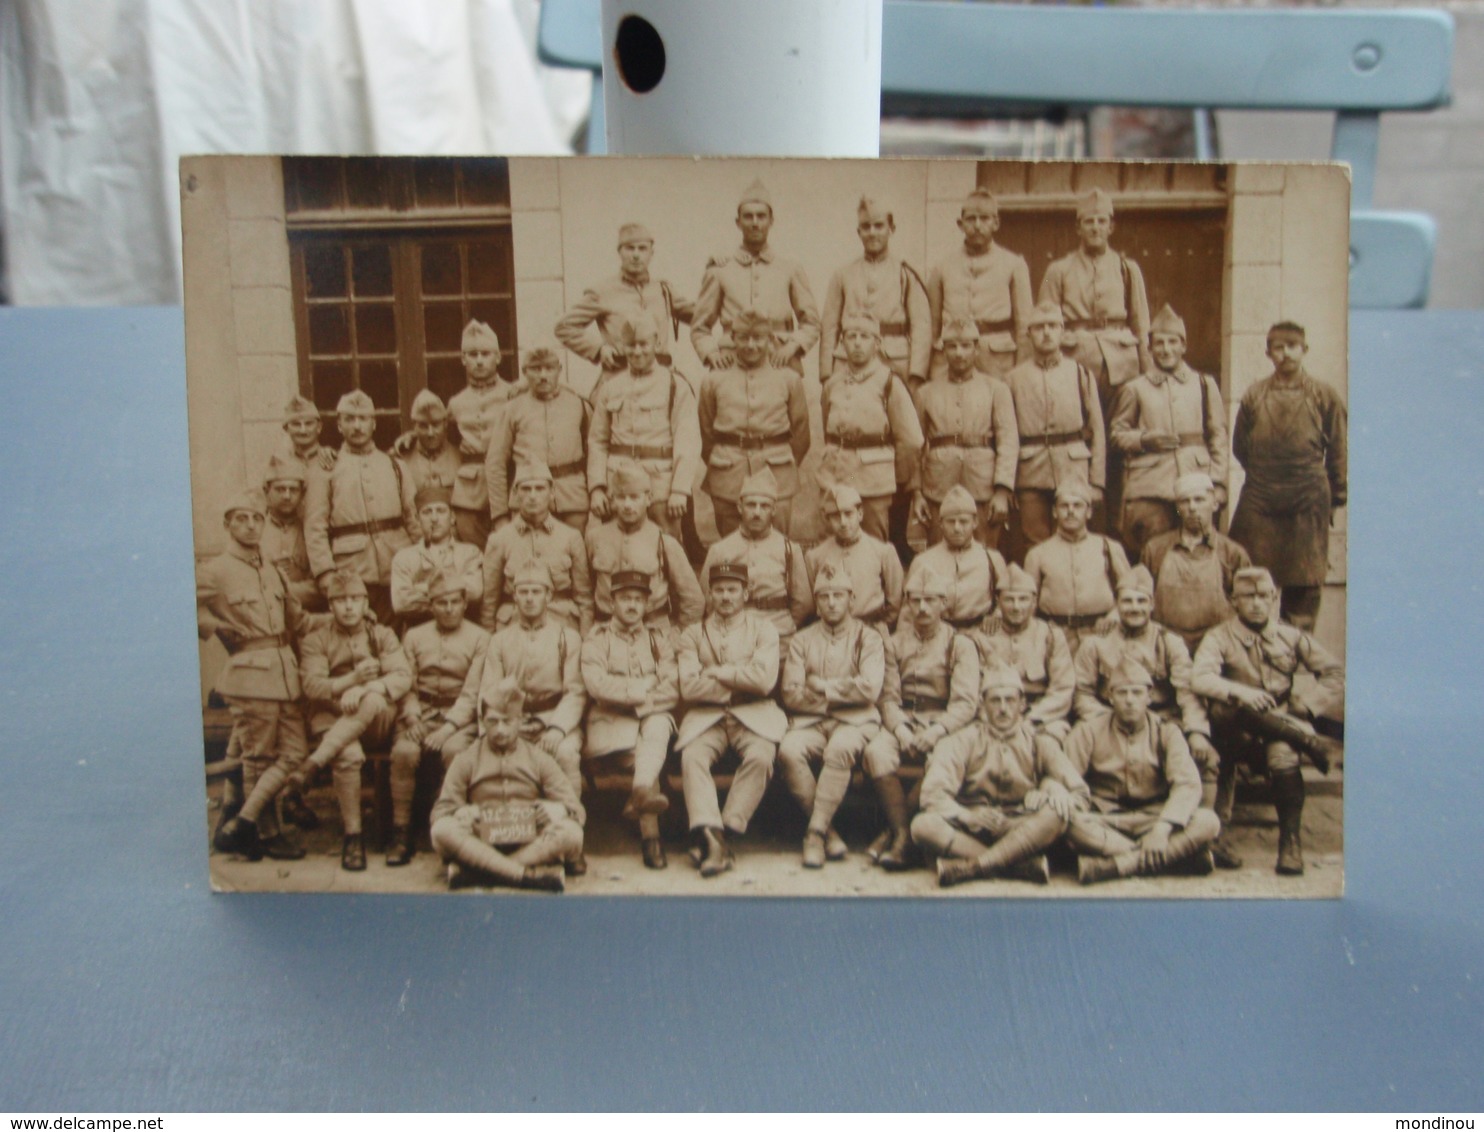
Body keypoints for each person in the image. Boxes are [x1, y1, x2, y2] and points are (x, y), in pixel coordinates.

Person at [219, 569, 412, 872]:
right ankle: (353, 837)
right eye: (340, 600)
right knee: (347, 754)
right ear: (330, 606)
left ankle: (313, 764)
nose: (348, 606)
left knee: (374, 699)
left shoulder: (381, 634)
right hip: (330, 715)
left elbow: (402, 675)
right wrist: (348, 681)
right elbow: (313, 685)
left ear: (365, 604)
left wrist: (363, 688)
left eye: (355, 599)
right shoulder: (316, 639)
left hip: (375, 720)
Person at [1191, 567, 1344, 875]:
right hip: (1235, 732)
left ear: (1274, 598)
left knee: (1283, 754)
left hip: (1281, 724)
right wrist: (1241, 692)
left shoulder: (1290, 636)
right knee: (1226, 711)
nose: (1257, 604)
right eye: (1249, 597)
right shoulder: (1219, 637)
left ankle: (1290, 844)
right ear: (1234, 601)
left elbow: (1335, 673)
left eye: (1264, 596)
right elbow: (1200, 677)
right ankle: (1310, 743)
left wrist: (1309, 705)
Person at [1073, 564, 1222, 858]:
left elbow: (1187, 692)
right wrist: (1105, 720)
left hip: (1161, 720)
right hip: (1107, 718)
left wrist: (1195, 732)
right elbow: (1081, 693)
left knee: (1204, 757)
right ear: (1117, 604)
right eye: (1127, 601)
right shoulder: (1096, 643)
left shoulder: (1169, 642)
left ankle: (1205, 839)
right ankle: (1168, 852)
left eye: (1141, 601)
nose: (1134, 608)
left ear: (1152, 604)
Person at [198, 490, 311, 862]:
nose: (250, 525)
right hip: (249, 673)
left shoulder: (271, 568)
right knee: (259, 757)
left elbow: (299, 620)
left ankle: (237, 819)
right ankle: (266, 832)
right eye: (241, 518)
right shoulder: (214, 570)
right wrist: (214, 626)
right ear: (227, 524)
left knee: (294, 752)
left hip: (283, 673)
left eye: (256, 518)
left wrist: (353, 619)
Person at [778, 564, 908, 869]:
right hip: (812, 722)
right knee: (789, 750)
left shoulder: (869, 637)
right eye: (824, 597)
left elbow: (870, 689)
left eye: (839, 596)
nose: (832, 602)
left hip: (857, 723)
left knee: (839, 749)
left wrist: (822, 687)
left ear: (852, 600)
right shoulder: (802, 639)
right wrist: (841, 697)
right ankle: (828, 831)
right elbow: (792, 693)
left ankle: (813, 834)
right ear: (817, 602)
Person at [914, 663, 1087, 887]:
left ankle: (977, 866)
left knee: (1056, 813)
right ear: (982, 705)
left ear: (1022, 704)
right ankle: (1018, 867)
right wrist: (967, 815)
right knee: (922, 825)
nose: (1003, 708)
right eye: (995, 700)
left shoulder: (1039, 741)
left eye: (1010, 700)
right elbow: (932, 796)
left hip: (1022, 828)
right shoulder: (960, 741)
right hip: (974, 829)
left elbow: (1080, 794)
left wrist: (1054, 791)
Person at [1039, 187, 1151, 532]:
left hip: (1123, 367)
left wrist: (1148, 375)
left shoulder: (1127, 269)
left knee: (1118, 447)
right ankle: (1072, 522)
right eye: (1088, 222)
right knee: (1080, 442)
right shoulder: (1059, 270)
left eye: (1101, 221)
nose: (1095, 228)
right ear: (1078, 227)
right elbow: (1044, 320)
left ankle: (1114, 530)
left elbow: (1141, 323)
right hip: (1076, 364)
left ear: (1111, 226)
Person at [1228, 321, 1348, 632]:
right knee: (1248, 569)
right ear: (1268, 353)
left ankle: (1295, 647)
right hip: (1262, 494)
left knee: (1305, 579)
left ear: (1304, 350)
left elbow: (1338, 451)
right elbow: (1240, 447)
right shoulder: (1254, 395)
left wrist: (1336, 498)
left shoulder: (1324, 395)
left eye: (1292, 346)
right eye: (1278, 348)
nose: (1286, 354)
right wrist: (1267, 475)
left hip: (1307, 494)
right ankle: (1253, 646)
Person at [1064, 660, 1221, 885]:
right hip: (1106, 820)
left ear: (1149, 697)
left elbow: (1186, 784)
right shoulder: (1088, 731)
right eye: (1122, 693)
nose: (1129, 700)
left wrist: (1161, 830)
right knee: (1064, 819)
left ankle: (1116, 866)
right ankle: (1168, 858)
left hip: (1153, 817)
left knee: (1208, 821)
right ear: (1110, 697)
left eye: (1137, 693)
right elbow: (1067, 780)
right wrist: (1076, 806)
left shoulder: (1167, 731)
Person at [675, 562, 786, 877]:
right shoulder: (693, 633)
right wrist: (739, 681)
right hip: (706, 715)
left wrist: (719, 673)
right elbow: (689, 685)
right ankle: (713, 836)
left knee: (762, 756)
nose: (725, 597)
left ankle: (722, 834)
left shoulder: (763, 630)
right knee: (693, 756)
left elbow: (764, 681)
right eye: (719, 590)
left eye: (732, 590)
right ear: (709, 594)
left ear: (746, 593)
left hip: (754, 713)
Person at [447, 562, 587, 810]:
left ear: (549, 596)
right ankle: (494, 823)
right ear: (514, 596)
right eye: (523, 592)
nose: (529, 599)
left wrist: (556, 729)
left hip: (552, 719)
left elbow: (575, 692)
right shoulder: (500, 641)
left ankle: (572, 825)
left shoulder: (567, 638)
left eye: (536, 592)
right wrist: (493, 730)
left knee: (565, 753)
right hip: (510, 721)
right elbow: (489, 692)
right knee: (487, 756)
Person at [430, 680, 584, 893]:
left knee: (572, 832)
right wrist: (462, 812)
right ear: (483, 721)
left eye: (507, 721)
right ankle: (524, 876)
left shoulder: (539, 758)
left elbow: (576, 811)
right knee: (441, 830)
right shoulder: (465, 759)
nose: (500, 729)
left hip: (528, 841)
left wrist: (557, 809)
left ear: (519, 721)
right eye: (493, 722)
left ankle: (483, 872)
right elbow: (440, 813)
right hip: (481, 838)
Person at [385, 569, 490, 867]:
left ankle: (451, 826)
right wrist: (412, 716)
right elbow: (405, 681)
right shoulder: (415, 636)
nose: (448, 609)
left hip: (459, 717)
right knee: (404, 752)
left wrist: (448, 728)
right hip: (421, 713)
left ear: (464, 603)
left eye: (454, 602)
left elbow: (473, 693)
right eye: (441, 603)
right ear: (430, 605)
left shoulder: (481, 637)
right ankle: (401, 831)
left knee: (455, 751)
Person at [1109, 304, 1229, 559]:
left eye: (1172, 342)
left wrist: (1217, 481)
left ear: (1183, 346)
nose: (1166, 350)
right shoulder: (1135, 388)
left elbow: (1218, 435)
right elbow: (1116, 434)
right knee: (1153, 552)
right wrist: (1144, 440)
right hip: (1151, 486)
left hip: (1195, 480)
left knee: (1198, 552)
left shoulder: (1204, 385)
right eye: (1159, 344)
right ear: (1150, 348)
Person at [580, 570, 680, 870]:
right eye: (625, 599)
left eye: (638, 599)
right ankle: (650, 834)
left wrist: (636, 698)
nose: (632, 605)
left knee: (661, 726)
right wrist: (642, 689)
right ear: (612, 603)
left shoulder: (657, 638)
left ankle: (641, 799)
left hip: (650, 717)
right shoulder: (597, 639)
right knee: (645, 756)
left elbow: (672, 684)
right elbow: (597, 685)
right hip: (610, 724)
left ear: (647, 604)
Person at [303, 390, 416, 627]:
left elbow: (412, 518)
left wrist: (420, 559)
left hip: (394, 564)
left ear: (373, 424)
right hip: (350, 570)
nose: (357, 426)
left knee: (394, 635)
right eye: (349, 419)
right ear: (339, 425)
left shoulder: (394, 465)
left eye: (363, 419)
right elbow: (315, 526)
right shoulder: (326, 469)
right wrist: (324, 572)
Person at [587, 313, 702, 545]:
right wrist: (597, 487)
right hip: (618, 485)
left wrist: (680, 490)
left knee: (665, 547)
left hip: (660, 485)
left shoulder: (675, 385)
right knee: (618, 547)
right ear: (622, 346)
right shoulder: (610, 388)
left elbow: (688, 441)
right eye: (630, 345)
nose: (637, 352)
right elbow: (597, 441)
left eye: (643, 344)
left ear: (656, 343)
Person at [697, 306, 811, 538]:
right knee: (731, 546)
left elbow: (801, 433)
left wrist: (784, 462)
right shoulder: (714, 380)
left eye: (758, 338)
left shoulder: (788, 379)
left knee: (776, 547)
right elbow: (706, 433)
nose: (751, 345)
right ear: (733, 339)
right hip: (727, 472)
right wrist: (722, 459)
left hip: (776, 470)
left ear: (769, 339)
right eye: (743, 338)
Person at [1003, 301, 1106, 558]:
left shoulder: (1080, 373)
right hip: (1030, 472)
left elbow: (1097, 430)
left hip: (1073, 468)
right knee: (1034, 544)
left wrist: (1097, 481)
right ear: (1028, 334)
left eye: (1053, 326)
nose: (1046, 333)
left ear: (1063, 332)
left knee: (1076, 539)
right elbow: (1007, 434)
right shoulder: (1013, 379)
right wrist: (1008, 482)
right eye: (1039, 327)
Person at [691, 179, 820, 377]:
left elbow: (811, 322)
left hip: (779, 361)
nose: (755, 223)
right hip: (732, 362)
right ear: (738, 222)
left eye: (761, 216)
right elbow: (699, 327)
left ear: (771, 221)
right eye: (748, 217)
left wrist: (791, 347)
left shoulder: (790, 268)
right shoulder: (720, 270)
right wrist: (712, 353)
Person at [817, 311, 924, 543]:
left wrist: (891, 473)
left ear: (877, 343)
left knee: (873, 543)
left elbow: (912, 440)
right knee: (833, 542)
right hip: (835, 474)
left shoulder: (889, 383)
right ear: (842, 342)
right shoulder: (833, 383)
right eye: (851, 336)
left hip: (873, 480)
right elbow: (828, 428)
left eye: (864, 337)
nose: (856, 343)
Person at [912, 318, 1018, 549]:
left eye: (966, 346)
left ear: (977, 349)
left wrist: (1002, 490)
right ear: (943, 350)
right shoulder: (926, 393)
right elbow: (915, 448)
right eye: (952, 346)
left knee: (984, 556)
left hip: (982, 486)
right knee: (938, 557)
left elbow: (1008, 441)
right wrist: (917, 493)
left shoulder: (996, 390)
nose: (959, 353)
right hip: (938, 488)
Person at [878, 568, 982, 793]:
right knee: (876, 754)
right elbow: (888, 697)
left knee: (943, 759)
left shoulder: (960, 644)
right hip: (904, 720)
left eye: (930, 600)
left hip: (944, 724)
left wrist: (937, 730)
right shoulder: (893, 644)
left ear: (943, 603)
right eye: (915, 601)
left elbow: (965, 702)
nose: (922, 608)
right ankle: (901, 827)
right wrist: (900, 730)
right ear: (907, 603)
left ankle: (902, 827)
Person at [555, 221, 694, 378]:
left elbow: (701, 315)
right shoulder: (603, 291)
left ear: (651, 253)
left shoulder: (664, 290)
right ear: (619, 252)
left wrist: (716, 273)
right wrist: (599, 349)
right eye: (629, 248)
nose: (636, 255)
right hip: (619, 376)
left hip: (660, 378)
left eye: (642, 249)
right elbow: (564, 327)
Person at [820, 195, 931, 390]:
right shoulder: (843, 275)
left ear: (891, 229)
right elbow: (829, 327)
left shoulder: (905, 274)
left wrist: (916, 374)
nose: (872, 233)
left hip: (894, 362)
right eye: (866, 227)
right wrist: (826, 373)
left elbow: (921, 327)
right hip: (849, 362)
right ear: (858, 232)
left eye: (879, 226)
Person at [926, 187, 1033, 383]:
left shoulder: (1014, 265)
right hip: (950, 358)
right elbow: (932, 326)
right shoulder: (942, 267)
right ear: (960, 224)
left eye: (984, 219)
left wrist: (1021, 370)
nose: (977, 225)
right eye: (971, 219)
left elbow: (1024, 326)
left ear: (996, 223)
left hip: (997, 360)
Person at [586, 459, 705, 633]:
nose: (627, 505)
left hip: (653, 630)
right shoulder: (595, 538)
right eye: (620, 497)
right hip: (606, 631)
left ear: (648, 499)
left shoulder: (664, 541)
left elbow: (693, 600)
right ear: (612, 500)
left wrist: (678, 635)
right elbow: (585, 592)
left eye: (634, 497)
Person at [1140, 472, 1252, 655]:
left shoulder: (1232, 553)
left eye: (1199, 500)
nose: (1192, 507)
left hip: (1218, 649)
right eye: (1185, 501)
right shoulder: (1155, 549)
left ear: (1214, 504)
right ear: (1178, 508)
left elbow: (1247, 606)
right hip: (1165, 646)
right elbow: (1140, 597)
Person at [700, 467, 812, 644]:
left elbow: (803, 601)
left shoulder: (789, 549)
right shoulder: (720, 549)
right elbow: (707, 599)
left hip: (778, 631)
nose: (757, 513)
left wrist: (786, 624)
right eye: (751, 505)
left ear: (774, 510)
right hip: (731, 634)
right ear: (740, 507)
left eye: (764, 506)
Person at [481, 461, 593, 635]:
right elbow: (489, 602)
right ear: (515, 494)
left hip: (561, 623)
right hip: (514, 626)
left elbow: (584, 600)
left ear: (552, 493)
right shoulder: (500, 539)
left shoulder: (571, 537)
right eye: (526, 489)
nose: (533, 496)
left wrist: (586, 642)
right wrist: (490, 641)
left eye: (540, 488)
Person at [487, 344, 590, 532]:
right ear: (525, 372)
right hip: (527, 499)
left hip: (573, 499)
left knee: (574, 554)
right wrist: (500, 514)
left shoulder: (577, 404)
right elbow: (496, 463)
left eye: (549, 368)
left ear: (559, 370)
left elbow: (592, 453)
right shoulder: (512, 409)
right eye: (536, 369)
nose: (543, 375)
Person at [1023, 478, 1130, 655]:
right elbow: (1028, 602)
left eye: (1077, 506)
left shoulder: (1108, 547)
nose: (1070, 512)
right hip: (1055, 637)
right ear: (1054, 512)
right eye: (1064, 506)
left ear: (1088, 512)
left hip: (1102, 635)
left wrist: (1113, 617)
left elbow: (1130, 591)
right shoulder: (1038, 554)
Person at [443, 319, 525, 550]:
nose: (479, 360)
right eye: (473, 354)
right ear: (463, 359)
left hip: (508, 481)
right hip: (470, 493)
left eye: (486, 354)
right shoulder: (456, 403)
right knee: (474, 552)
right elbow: (442, 437)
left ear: (497, 357)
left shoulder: (513, 394)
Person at [970, 564, 1075, 741]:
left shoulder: (1050, 636)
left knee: (1052, 739)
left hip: (1040, 717)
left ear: (1034, 602)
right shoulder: (981, 637)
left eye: (1023, 599)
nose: (1016, 607)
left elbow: (1062, 688)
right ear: (998, 601)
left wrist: (1031, 719)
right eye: (1009, 599)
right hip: (991, 716)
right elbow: (972, 687)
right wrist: (991, 718)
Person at [902, 485, 1008, 632]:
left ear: (975, 522)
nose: (957, 528)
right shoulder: (923, 561)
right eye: (951, 521)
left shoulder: (991, 559)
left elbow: (1007, 600)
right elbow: (907, 612)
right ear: (940, 524)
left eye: (963, 521)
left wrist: (997, 616)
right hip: (936, 635)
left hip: (981, 633)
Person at [804, 484, 904, 635]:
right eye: (836, 516)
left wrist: (880, 629)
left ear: (860, 514)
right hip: (830, 632)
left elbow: (895, 602)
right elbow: (812, 603)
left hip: (872, 629)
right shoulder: (815, 556)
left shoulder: (883, 551)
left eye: (848, 514)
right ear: (827, 519)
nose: (843, 522)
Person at [389, 483, 483, 629]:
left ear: (452, 517)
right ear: (417, 519)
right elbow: (401, 603)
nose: (434, 518)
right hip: (419, 634)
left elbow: (475, 593)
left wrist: (421, 588)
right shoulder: (404, 558)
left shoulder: (469, 553)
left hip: (463, 632)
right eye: (427, 512)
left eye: (440, 511)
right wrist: (454, 592)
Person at [259, 453, 319, 609]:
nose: (287, 496)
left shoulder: (312, 531)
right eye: (280, 489)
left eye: (293, 490)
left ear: (302, 494)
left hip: (307, 614)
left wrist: (285, 591)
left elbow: (320, 585)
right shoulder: (256, 531)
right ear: (266, 491)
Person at [397, 390, 461, 522]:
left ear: (445, 424)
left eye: (436, 425)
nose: (430, 433)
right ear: (414, 426)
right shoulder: (400, 460)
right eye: (423, 426)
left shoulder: (461, 457)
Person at [276, 393, 336, 481]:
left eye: (309, 423)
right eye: (296, 424)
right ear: (286, 429)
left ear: (319, 427)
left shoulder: (332, 460)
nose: (303, 430)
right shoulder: (280, 464)